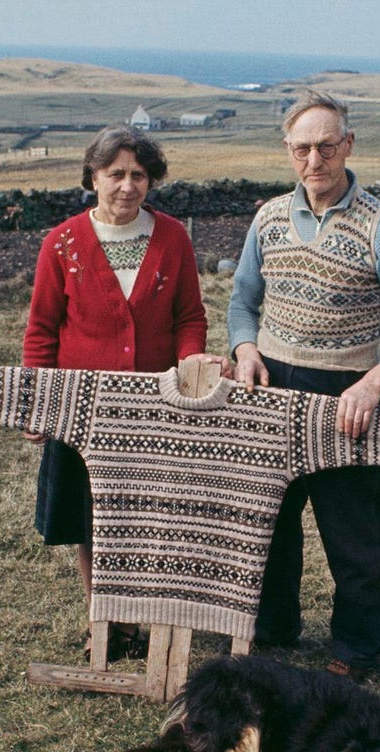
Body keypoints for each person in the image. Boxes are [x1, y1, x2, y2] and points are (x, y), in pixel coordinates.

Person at [226, 91, 380, 681]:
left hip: (346, 397)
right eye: (303, 148)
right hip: (269, 389)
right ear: (288, 151)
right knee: (266, 522)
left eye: (327, 145)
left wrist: (374, 383)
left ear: (348, 145)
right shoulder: (268, 218)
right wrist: (245, 348)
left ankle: (354, 652)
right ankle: (270, 629)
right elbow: (242, 303)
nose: (315, 159)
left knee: (357, 535)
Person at [23, 123, 226, 657]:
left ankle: (145, 620)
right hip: (81, 408)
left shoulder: (173, 238)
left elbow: (190, 317)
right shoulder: (62, 242)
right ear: (93, 176)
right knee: (94, 518)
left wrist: (190, 371)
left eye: (139, 175)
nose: (127, 186)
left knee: (150, 518)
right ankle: (106, 624)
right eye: (116, 174)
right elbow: (42, 330)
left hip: (156, 406)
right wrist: (38, 403)